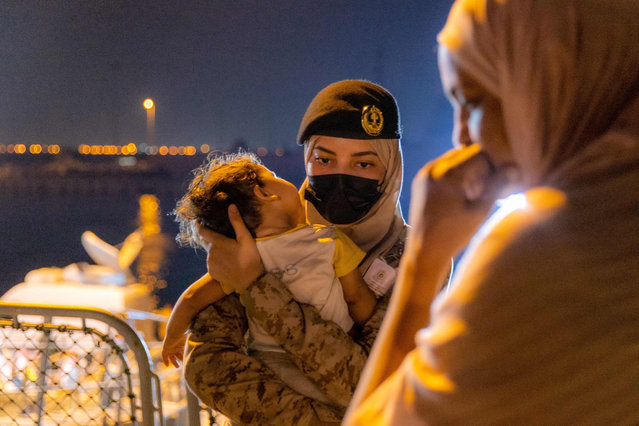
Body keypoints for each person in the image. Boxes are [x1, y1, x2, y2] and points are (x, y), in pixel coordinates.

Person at [345, 0, 639, 423]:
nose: (462, 136)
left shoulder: (553, 252)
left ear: (549, 80)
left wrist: (423, 263)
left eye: (475, 100)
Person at [183, 80, 408, 425]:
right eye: (324, 159)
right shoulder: (259, 227)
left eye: (364, 164)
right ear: (307, 160)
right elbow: (207, 364)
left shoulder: (413, 258)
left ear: (390, 168)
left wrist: (256, 285)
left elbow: (374, 384)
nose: (341, 176)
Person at [162, 153, 376, 403]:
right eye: (273, 176)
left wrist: (172, 338)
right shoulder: (329, 240)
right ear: (265, 194)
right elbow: (357, 298)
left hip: (271, 363)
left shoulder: (244, 260)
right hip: (334, 352)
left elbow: (191, 298)